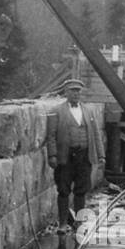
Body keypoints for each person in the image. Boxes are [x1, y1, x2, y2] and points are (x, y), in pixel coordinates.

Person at [46, 79, 105, 233]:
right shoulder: (56, 110)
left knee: (81, 189)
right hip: (65, 156)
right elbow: (51, 135)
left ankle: (79, 223)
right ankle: (63, 224)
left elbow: (96, 134)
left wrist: (101, 155)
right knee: (63, 189)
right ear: (66, 92)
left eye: (78, 91)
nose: (76, 94)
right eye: (72, 91)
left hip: (84, 156)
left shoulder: (88, 111)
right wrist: (52, 155)